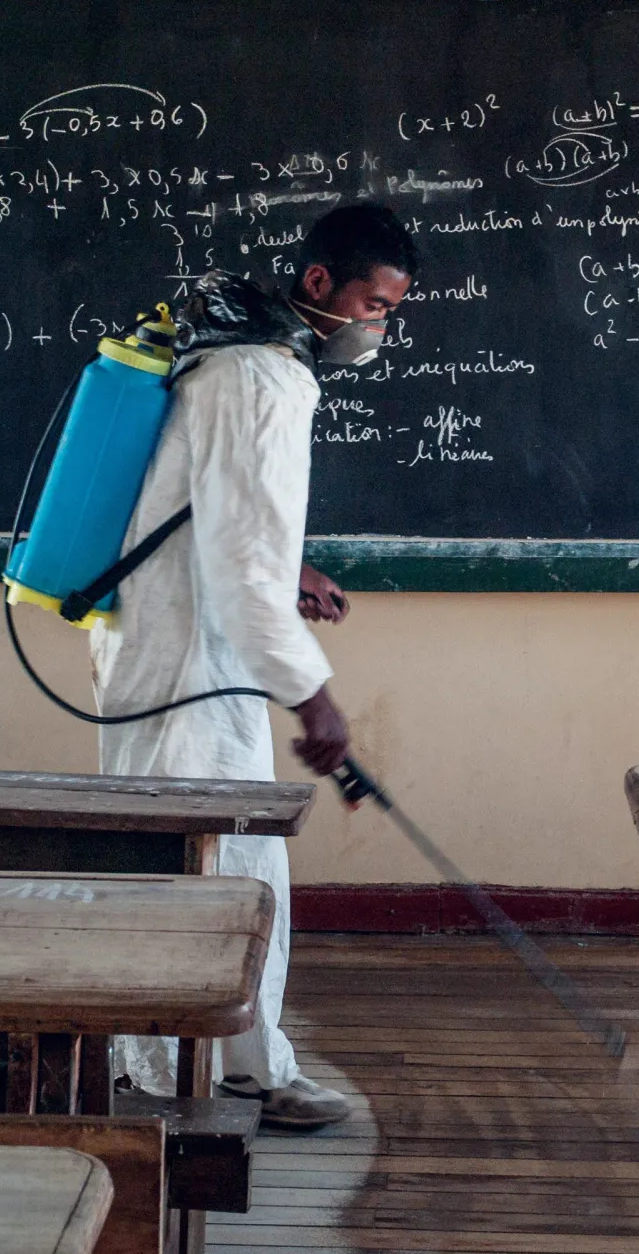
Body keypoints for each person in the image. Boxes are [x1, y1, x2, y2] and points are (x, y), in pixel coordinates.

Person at [90, 202, 416, 1129]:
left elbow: (213, 510)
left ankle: (242, 1064)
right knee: (197, 870)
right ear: (318, 286)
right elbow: (237, 569)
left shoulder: (237, 358)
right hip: (182, 657)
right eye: (369, 303)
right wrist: (316, 699)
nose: (375, 327)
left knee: (236, 863)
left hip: (185, 649)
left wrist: (292, 567)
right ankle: (159, 1081)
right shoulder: (263, 377)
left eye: (389, 309)